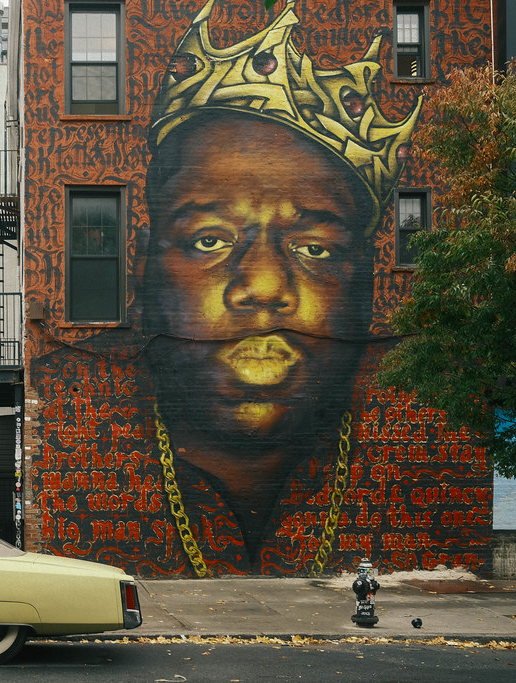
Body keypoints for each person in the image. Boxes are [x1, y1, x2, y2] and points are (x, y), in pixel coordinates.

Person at [140, 0, 420, 575]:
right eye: (209, 240)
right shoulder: (78, 434)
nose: (264, 286)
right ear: (140, 274)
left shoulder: (427, 434)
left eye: (314, 249)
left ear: (366, 287)